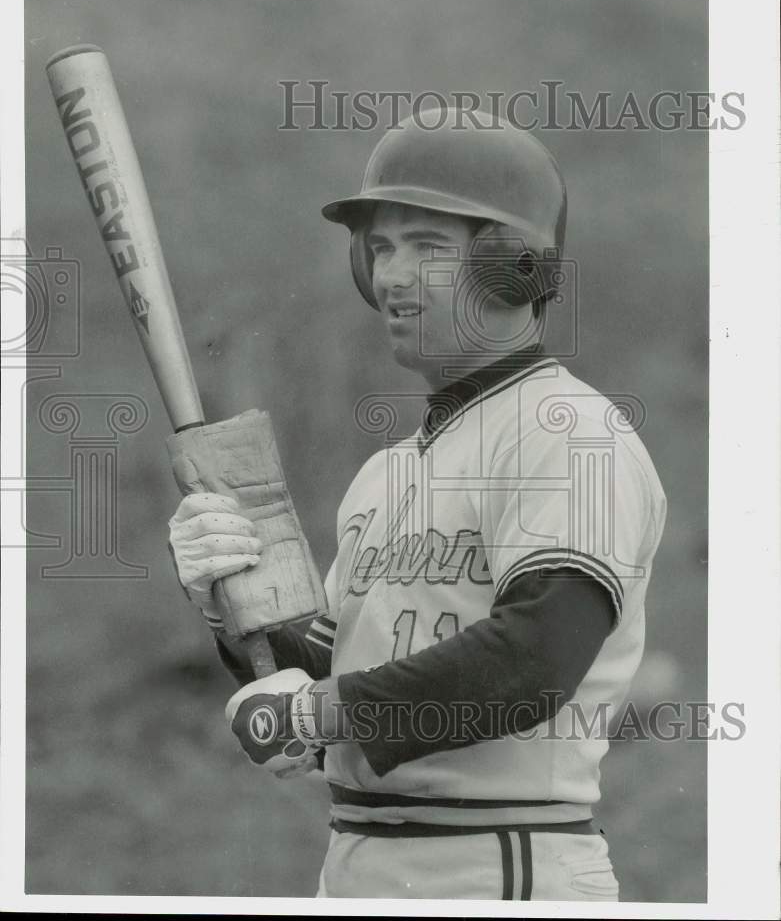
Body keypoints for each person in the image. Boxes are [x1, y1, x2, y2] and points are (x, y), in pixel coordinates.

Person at [168, 109, 667, 901]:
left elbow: (533, 661)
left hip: (500, 864)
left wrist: (317, 716)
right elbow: (333, 671)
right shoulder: (387, 474)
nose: (393, 274)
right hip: (358, 860)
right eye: (381, 249)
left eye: (427, 247)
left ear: (514, 266)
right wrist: (233, 608)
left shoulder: (570, 436)